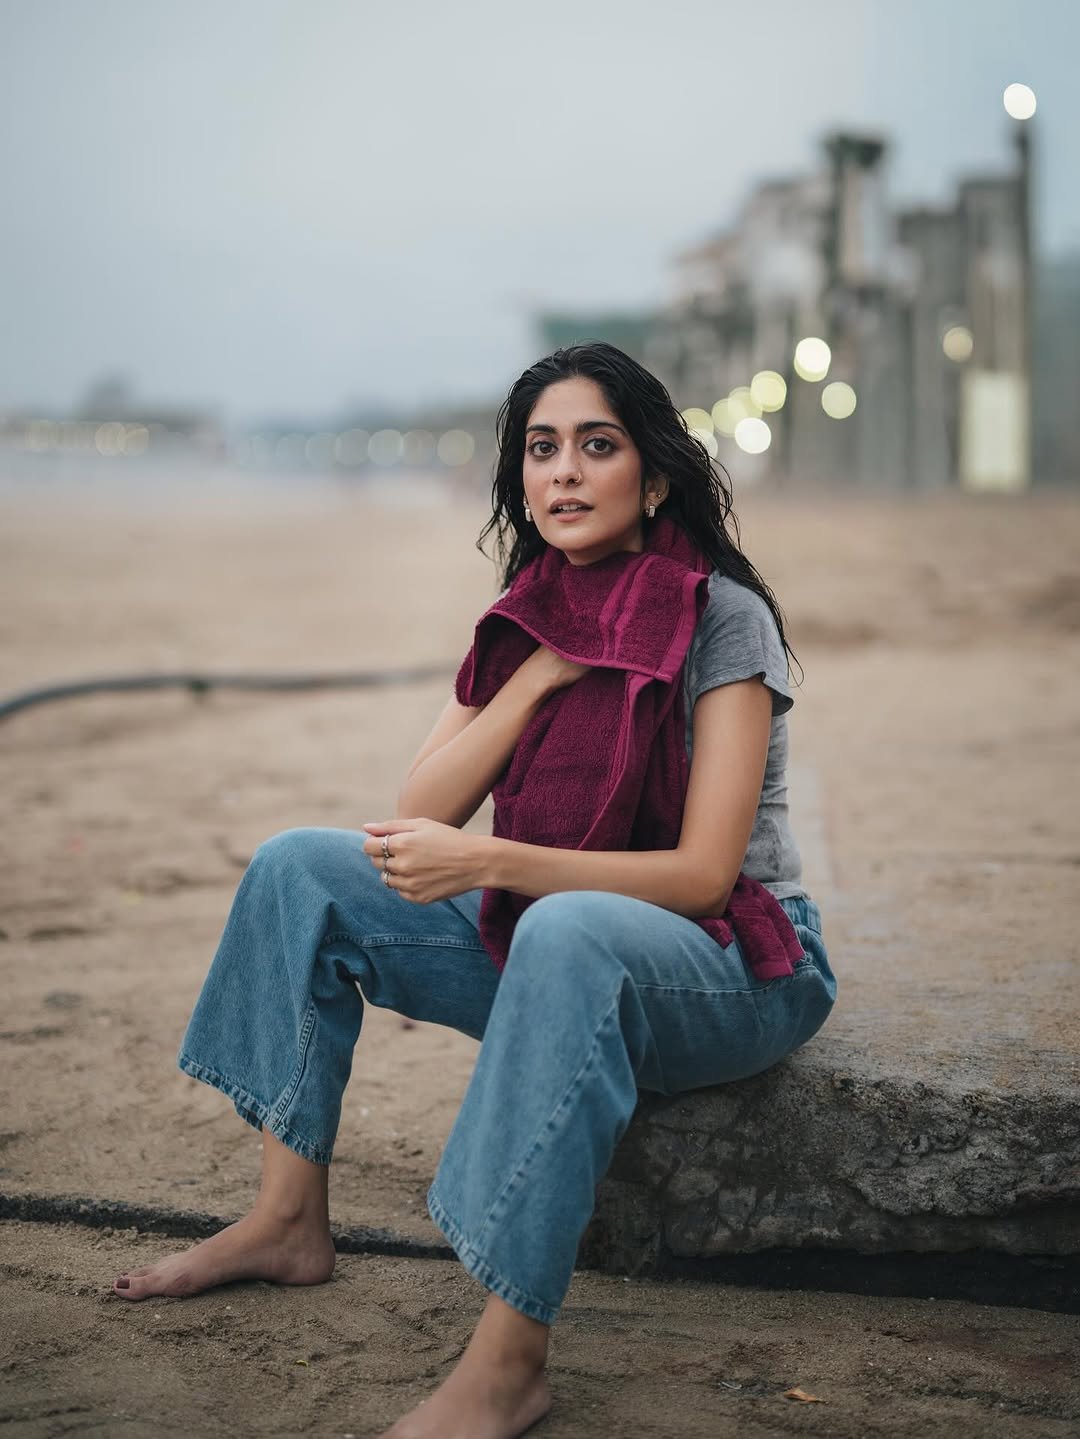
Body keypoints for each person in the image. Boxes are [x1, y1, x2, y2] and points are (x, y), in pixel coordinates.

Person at [111, 342, 837, 1439]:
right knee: (302, 866)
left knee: (570, 927)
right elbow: (424, 803)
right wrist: (544, 667)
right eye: (543, 449)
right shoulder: (527, 611)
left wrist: (499, 864)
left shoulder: (722, 617)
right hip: (566, 938)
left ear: (652, 478)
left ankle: (509, 1361)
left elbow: (703, 874)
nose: (565, 473)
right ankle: (284, 1219)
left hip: (737, 961)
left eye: (599, 447)